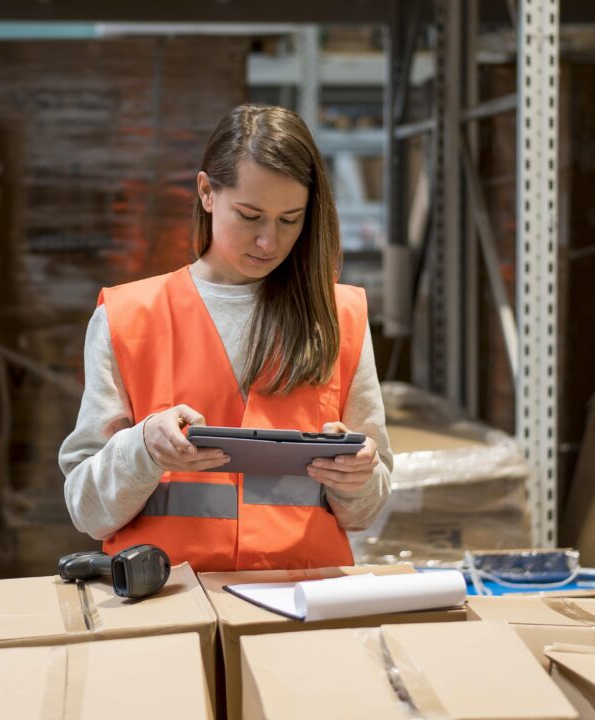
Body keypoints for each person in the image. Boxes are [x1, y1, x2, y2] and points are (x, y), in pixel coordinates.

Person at [60, 104, 392, 572]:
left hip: (301, 613)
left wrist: (356, 477)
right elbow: (86, 511)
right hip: (169, 609)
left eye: (289, 219)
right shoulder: (129, 316)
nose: (268, 243)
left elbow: (366, 511)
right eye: (250, 216)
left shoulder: (340, 318)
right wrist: (144, 451)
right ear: (206, 193)